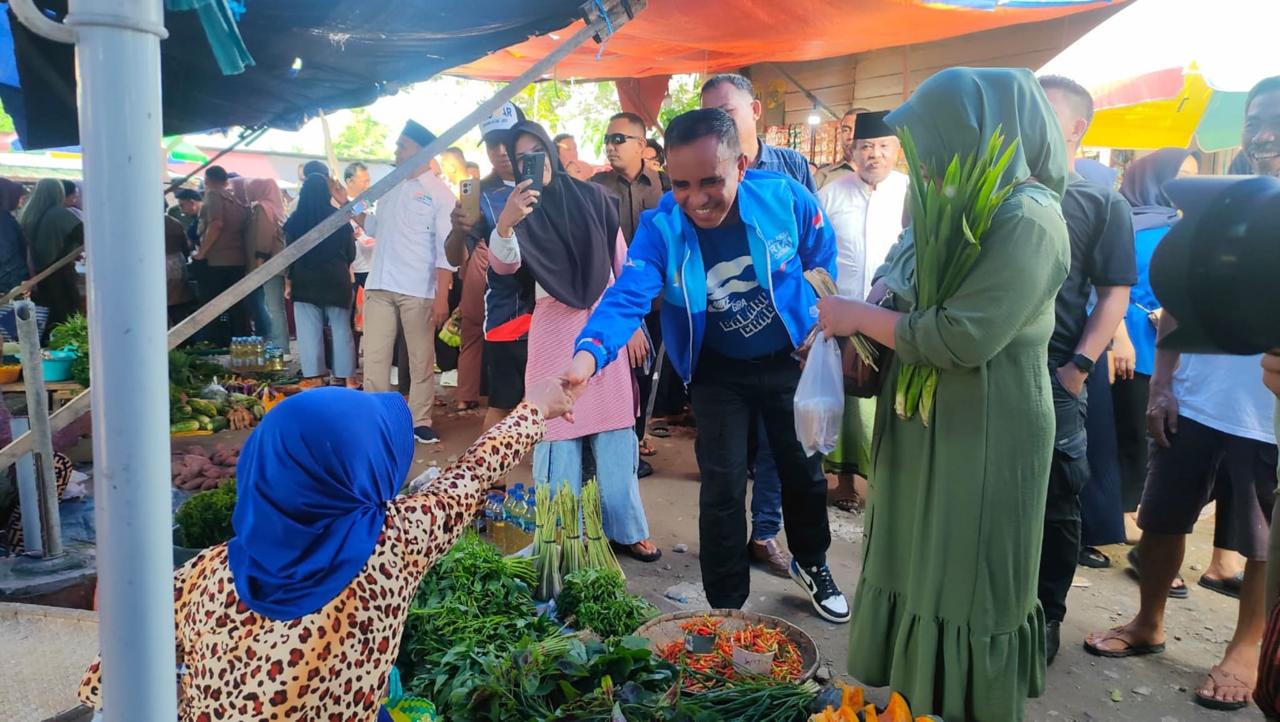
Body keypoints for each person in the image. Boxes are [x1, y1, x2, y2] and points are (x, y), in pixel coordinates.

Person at [76, 377, 580, 720]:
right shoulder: (391, 547)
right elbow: (470, 475)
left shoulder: (202, 574)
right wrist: (537, 407)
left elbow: (112, 678)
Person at [817, 68, 1069, 720]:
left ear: (981, 133)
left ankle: (963, 703)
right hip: (918, 417)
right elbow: (900, 267)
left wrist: (855, 317)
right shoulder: (941, 198)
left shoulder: (1029, 217)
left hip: (986, 426)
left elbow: (962, 337)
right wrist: (876, 297)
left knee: (966, 571)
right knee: (910, 553)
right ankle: (913, 694)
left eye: (935, 141)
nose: (922, 160)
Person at [569, 108, 848, 620]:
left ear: (741, 164)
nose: (696, 199)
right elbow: (628, 295)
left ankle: (812, 563)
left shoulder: (784, 199)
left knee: (803, 471)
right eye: (681, 184)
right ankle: (725, 604)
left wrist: (814, 312)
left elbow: (820, 252)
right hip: (717, 371)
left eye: (711, 181)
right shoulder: (660, 229)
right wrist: (588, 356)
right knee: (720, 487)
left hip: (788, 360)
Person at [1087, 79, 1280, 713]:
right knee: (1162, 518)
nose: (1264, 131)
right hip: (1195, 397)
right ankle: (1148, 623)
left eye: (1275, 118)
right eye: (1255, 119)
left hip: (1267, 414)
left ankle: (1244, 649)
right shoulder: (1217, 206)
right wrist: (1163, 384)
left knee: (1258, 540)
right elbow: (1177, 296)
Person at [491, 120, 659, 562]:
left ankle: (627, 528)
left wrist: (634, 326)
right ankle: (559, 530)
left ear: (551, 152)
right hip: (551, 328)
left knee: (616, 432)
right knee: (555, 434)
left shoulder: (593, 198)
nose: (533, 162)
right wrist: (506, 225)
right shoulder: (518, 212)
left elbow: (623, 266)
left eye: (538, 152)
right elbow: (505, 271)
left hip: (603, 324)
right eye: (521, 155)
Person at [1032, 75, 1137, 664]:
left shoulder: (1100, 202)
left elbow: (1113, 296)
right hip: (991, 371)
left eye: (1040, 114)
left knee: (1057, 502)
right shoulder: (995, 192)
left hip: (1057, 373)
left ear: (1076, 128)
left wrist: (1076, 369)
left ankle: (1047, 617)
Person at [700, 72, 815, 578]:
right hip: (721, 346)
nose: (719, 122)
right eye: (710, 114)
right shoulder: (698, 170)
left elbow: (814, 249)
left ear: (754, 113)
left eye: (728, 111)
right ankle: (726, 589)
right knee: (723, 468)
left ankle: (767, 533)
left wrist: (813, 318)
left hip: (788, 344)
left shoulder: (789, 173)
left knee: (788, 454)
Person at [815, 110, 908, 512]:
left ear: (897, 150)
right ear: (853, 150)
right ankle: (847, 481)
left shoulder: (912, 193)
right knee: (848, 401)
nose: (875, 154)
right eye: (866, 146)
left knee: (894, 400)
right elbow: (815, 253)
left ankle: (889, 484)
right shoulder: (832, 194)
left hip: (896, 318)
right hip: (843, 312)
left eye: (883, 146)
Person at [362, 120, 456, 444]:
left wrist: (442, 295)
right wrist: (354, 206)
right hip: (378, 284)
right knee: (374, 357)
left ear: (421, 149)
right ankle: (374, 418)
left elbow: (447, 250)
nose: (396, 150)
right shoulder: (387, 186)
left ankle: (420, 420)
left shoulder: (440, 194)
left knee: (421, 359)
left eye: (402, 145)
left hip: (418, 289)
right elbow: (372, 226)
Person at [446, 102, 532, 432]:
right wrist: (457, 229)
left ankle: (554, 478)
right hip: (506, 313)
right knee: (503, 405)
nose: (499, 151)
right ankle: (493, 481)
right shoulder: (480, 194)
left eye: (506, 141)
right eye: (491, 144)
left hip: (555, 310)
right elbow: (455, 257)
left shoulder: (552, 184)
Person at [591, 112, 667, 475]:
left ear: (642, 144)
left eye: (619, 139)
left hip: (659, 302)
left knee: (644, 375)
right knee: (609, 373)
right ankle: (606, 453)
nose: (611, 146)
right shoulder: (595, 188)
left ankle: (633, 446)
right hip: (613, 301)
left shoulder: (666, 185)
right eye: (607, 139)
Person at [283, 174, 357, 387]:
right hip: (336, 281)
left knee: (308, 331)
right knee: (341, 328)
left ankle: (315, 375)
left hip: (305, 282)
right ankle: (346, 376)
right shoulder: (338, 217)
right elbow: (350, 252)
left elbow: (288, 255)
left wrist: (289, 282)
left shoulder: (294, 221)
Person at [701, 73, 816, 192]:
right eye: (707, 116)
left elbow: (813, 210)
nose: (716, 122)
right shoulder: (700, 172)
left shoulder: (792, 164)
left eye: (727, 111)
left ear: (755, 110)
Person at [195, 165, 251, 346]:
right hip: (236, 257)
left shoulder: (213, 195)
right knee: (237, 305)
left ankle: (217, 342)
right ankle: (241, 341)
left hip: (216, 259)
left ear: (208, 179)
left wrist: (201, 253)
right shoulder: (233, 199)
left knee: (214, 304)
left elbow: (216, 224)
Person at [19, 178, 82, 337]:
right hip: (59, 275)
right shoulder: (58, 214)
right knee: (66, 321)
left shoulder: (27, 215)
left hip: (38, 275)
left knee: (49, 321)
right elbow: (86, 236)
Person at [245, 178, 290, 353]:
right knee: (276, 307)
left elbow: (262, 238)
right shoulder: (278, 208)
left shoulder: (263, 208)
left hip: (268, 264)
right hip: (279, 263)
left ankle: (279, 349)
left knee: (273, 308)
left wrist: (258, 264)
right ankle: (281, 347)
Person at [815, 108, 866, 190]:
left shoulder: (887, 178)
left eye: (858, 129)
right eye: (845, 130)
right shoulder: (822, 176)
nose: (851, 136)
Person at [0, 179, 29, 296]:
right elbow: (7, 255)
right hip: (7, 282)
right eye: (17, 196)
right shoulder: (3, 220)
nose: (19, 200)